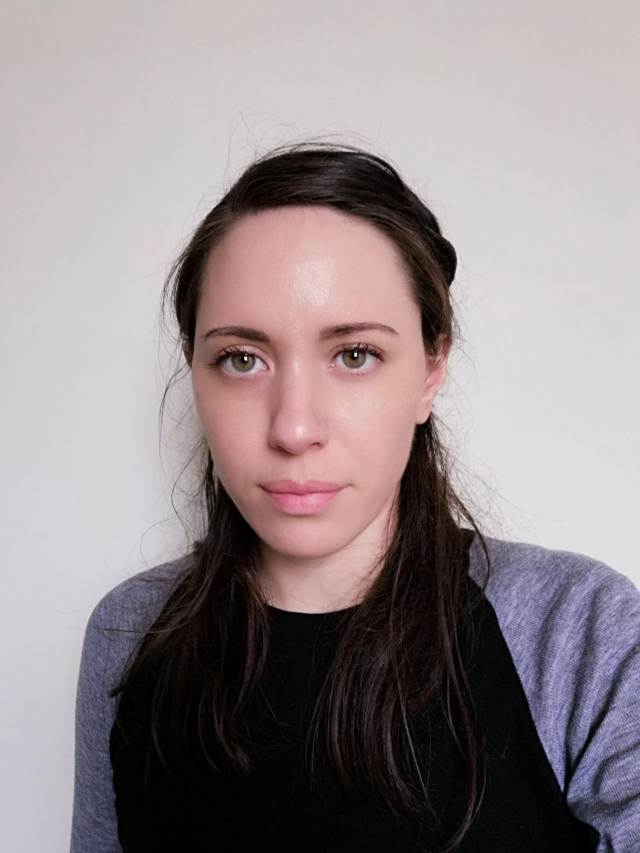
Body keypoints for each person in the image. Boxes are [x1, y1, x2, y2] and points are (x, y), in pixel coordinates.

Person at [70, 142, 640, 852]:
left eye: (354, 355)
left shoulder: (579, 630)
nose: (293, 427)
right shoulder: (129, 632)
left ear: (431, 369)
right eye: (241, 359)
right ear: (194, 369)